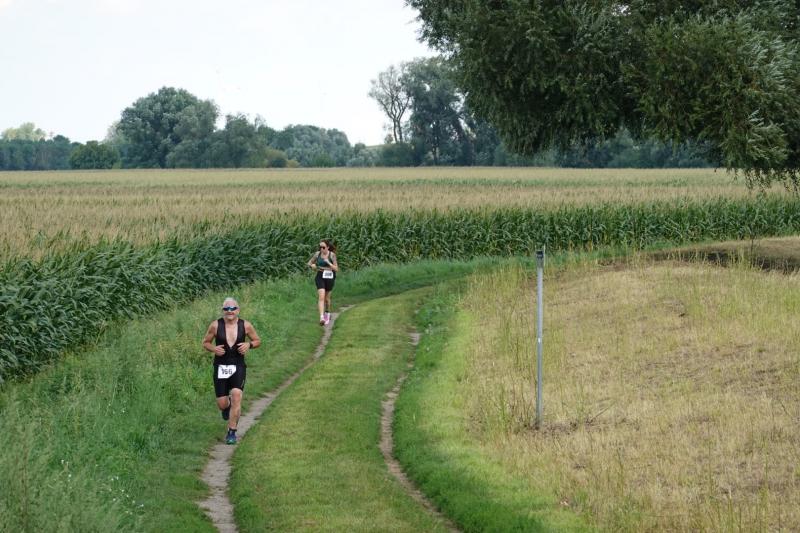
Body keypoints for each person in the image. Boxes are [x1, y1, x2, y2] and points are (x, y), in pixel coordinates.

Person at [202, 297, 261, 445]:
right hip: (220, 366)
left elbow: (257, 340)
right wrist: (214, 349)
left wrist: (249, 345)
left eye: (233, 308)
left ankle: (231, 432)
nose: (230, 311)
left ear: (238, 310)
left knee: (236, 396)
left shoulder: (245, 325)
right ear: (223, 311)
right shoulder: (215, 325)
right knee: (222, 404)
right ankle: (227, 408)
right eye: (226, 309)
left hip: (238, 366)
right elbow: (205, 342)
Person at [306, 239, 338, 325]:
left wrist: (328, 263)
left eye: (323, 247)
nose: (321, 249)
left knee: (327, 299)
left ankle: (327, 313)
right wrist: (312, 266)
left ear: (328, 247)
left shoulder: (332, 255)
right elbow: (309, 263)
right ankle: (321, 317)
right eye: (320, 247)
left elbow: (336, 269)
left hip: (330, 276)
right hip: (320, 276)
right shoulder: (317, 254)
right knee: (321, 297)